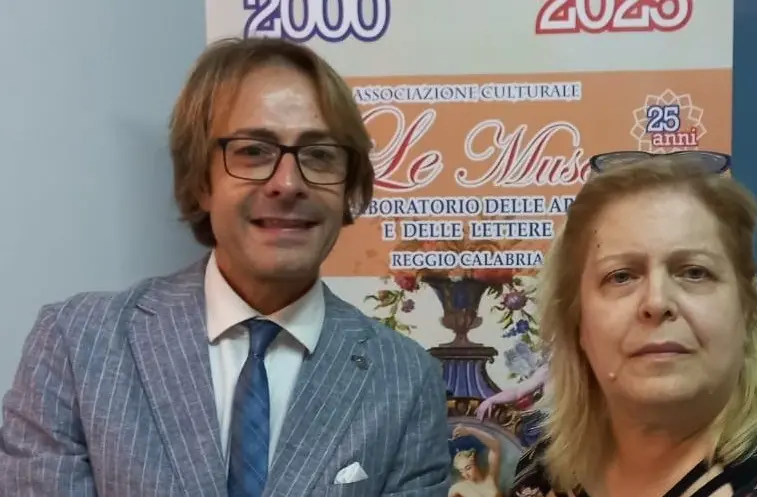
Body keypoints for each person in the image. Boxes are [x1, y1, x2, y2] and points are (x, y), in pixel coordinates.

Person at [0, 37, 451, 497]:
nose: (288, 183)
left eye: (319, 154)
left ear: (348, 187)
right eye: (254, 151)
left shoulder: (405, 380)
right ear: (201, 180)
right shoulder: (78, 347)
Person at [509, 153, 757, 497]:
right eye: (621, 276)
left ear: (748, 310)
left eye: (694, 272)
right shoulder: (541, 477)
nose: (656, 302)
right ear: (578, 322)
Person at [449, 424, 503, 497]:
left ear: (475, 463)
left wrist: (469, 430)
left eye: (468, 468)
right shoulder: (459, 488)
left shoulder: (490, 479)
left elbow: (495, 447)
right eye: (461, 471)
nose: (465, 474)